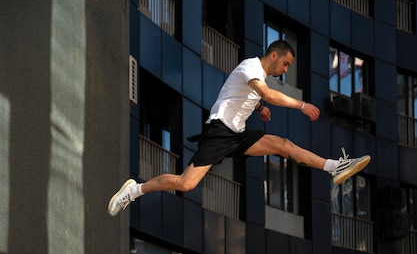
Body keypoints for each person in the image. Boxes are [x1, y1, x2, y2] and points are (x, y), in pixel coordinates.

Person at [108, 40, 371, 217]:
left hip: (238, 134)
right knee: (185, 184)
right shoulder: (251, 66)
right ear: (274, 55)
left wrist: (258, 109)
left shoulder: (259, 75)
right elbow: (265, 93)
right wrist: (300, 105)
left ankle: (335, 166)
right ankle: (133, 190)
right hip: (220, 131)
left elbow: (243, 94)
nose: (285, 69)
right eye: (286, 64)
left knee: (284, 145)